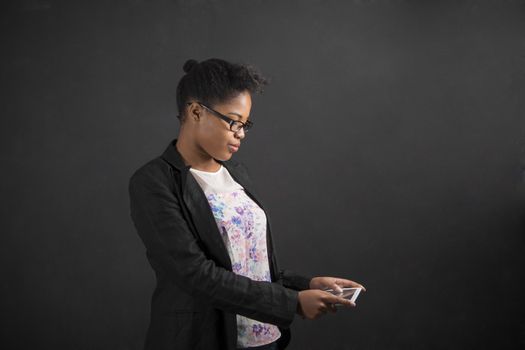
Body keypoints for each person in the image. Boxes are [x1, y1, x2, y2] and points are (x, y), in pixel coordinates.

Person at [128, 58, 366, 350]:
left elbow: (253, 265)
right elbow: (195, 274)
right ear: (195, 112)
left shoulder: (236, 173)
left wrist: (306, 285)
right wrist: (292, 303)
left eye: (245, 124)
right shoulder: (153, 182)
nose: (241, 133)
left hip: (266, 339)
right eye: (233, 121)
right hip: (202, 340)